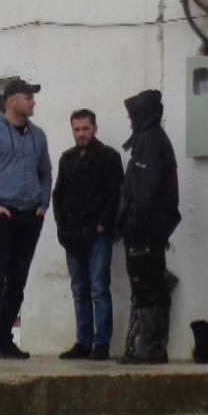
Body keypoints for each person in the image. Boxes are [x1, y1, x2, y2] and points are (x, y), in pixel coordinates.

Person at [0, 79, 51, 360]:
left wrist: (43, 203)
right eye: (27, 97)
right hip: (1, 214)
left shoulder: (37, 135)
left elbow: (45, 171)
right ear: (10, 101)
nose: (32, 102)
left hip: (30, 215)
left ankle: (5, 338)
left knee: (17, 280)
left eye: (33, 97)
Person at [53, 109, 122, 361]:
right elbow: (58, 195)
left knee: (98, 289)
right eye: (77, 129)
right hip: (73, 235)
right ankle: (83, 341)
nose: (81, 134)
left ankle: (101, 343)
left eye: (85, 129)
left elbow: (117, 194)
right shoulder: (67, 159)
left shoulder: (109, 157)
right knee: (79, 289)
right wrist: (62, 227)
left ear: (95, 128)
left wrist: (104, 224)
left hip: (97, 234)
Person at [118, 90, 181, 364]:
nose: (130, 120)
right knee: (151, 285)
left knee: (147, 286)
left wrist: (133, 222)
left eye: (132, 115)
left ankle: (149, 348)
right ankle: (152, 347)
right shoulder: (154, 139)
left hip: (145, 229)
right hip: (152, 227)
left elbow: (146, 188)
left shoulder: (150, 141)